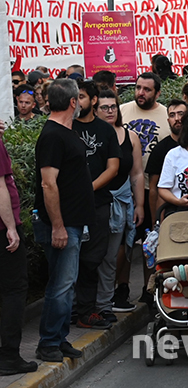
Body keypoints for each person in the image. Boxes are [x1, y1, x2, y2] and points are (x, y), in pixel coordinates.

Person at [34, 79, 91, 362]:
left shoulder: (65, 132)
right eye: (78, 98)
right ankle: (47, 343)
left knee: (67, 284)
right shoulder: (53, 136)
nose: (80, 102)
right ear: (72, 102)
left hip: (72, 223)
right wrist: (57, 226)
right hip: (60, 225)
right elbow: (48, 185)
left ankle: (59, 338)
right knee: (60, 284)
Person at [72, 81, 120, 330]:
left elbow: (113, 168)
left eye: (81, 96)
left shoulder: (105, 130)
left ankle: (87, 310)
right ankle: (71, 309)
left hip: (98, 204)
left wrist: (88, 189)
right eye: (74, 97)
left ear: (92, 100)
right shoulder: (64, 128)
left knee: (93, 258)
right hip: (69, 207)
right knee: (69, 258)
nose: (76, 101)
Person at [93, 90, 144, 323]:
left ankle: (105, 303)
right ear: (95, 109)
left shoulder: (130, 136)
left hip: (121, 203)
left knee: (112, 255)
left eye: (113, 106)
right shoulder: (90, 135)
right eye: (104, 107)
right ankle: (86, 304)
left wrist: (139, 204)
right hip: (93, 202)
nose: (110, 111)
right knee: (91, 255)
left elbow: (136, 173)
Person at [119, 72, 169, 307]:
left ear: (157, 93)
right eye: (138, 88)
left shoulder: (167, 114)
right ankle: (122, 287)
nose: (141, 93)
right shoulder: (122, 110)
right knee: (126, 243)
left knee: (151, 242)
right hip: (125, 189)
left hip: (155, 189)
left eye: (147, 89)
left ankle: (150, 289)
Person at [0, 133, 38, 375]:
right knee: (14, 289)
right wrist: (11, 227)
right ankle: (9, 356)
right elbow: (0, 186)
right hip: (2, 229)